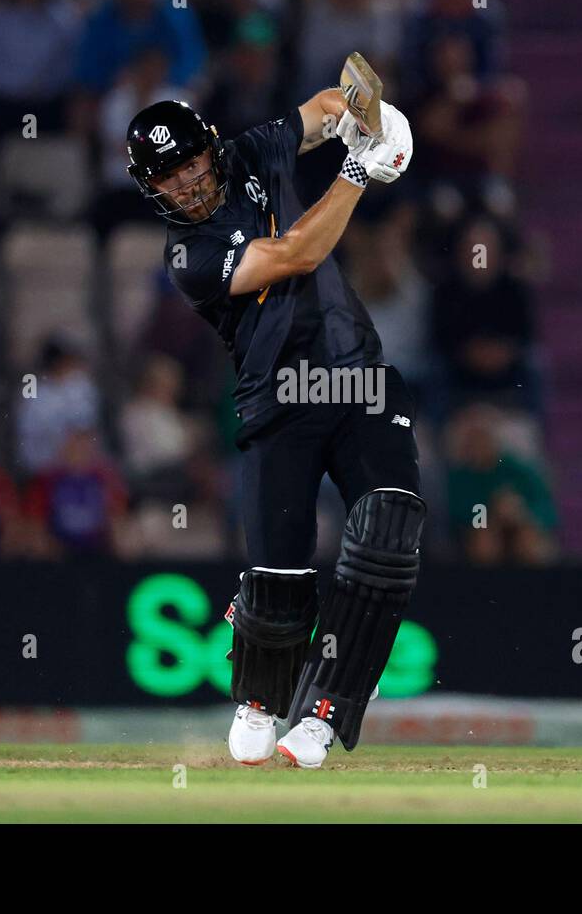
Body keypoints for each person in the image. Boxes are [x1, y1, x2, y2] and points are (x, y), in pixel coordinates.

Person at [126, 83, 421, 768]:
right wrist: (358, 170)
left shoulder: (248, 152)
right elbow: (295, 254)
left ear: (208, 147)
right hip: (277, 399)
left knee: (389, 531)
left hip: (361, 380)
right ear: (153, 190)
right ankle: (260, 691)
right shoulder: (188, 256)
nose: (189, 182)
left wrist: (363, 111)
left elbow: (321, 108)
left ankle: (326, 711)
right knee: (281, 576)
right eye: (169, 177)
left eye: (192, 161)